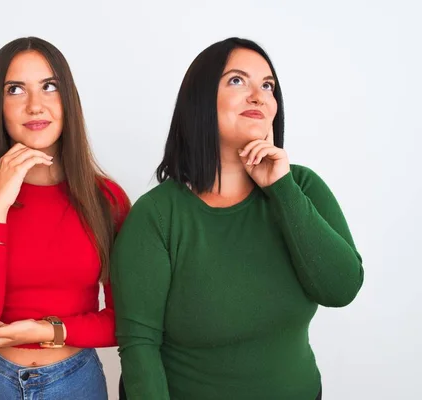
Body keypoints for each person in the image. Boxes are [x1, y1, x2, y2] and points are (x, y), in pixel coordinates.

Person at [111, 37, 364, 400]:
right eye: (236, 81)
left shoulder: (301, 188)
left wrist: (283, 191)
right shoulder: (157, 216)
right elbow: (139, 348)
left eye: (267, 86)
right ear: (199, 102)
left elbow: (342, 289)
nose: (259, 95)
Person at [0, 36, 129, 400]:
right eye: (16, 89)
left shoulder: (107, 200)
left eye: (49, 87)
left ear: (69, 100)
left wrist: (47, 331)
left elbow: (127, 321)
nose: (35, 105)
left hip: (76, 383)